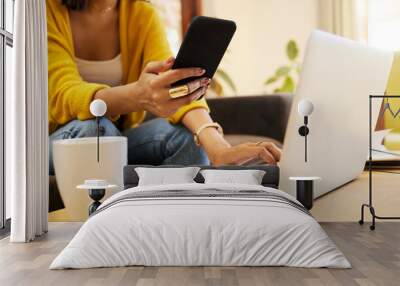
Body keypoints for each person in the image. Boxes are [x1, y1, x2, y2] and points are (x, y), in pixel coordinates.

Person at [47, 0, 281, 174]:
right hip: (56, 141)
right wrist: (137, 96)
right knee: (97, 131)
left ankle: (167, 224)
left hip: (117, 138)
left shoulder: (141, 14)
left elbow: (175, 83)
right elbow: (63, 94)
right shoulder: (45, 10)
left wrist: (218, 148)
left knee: (185, 139)